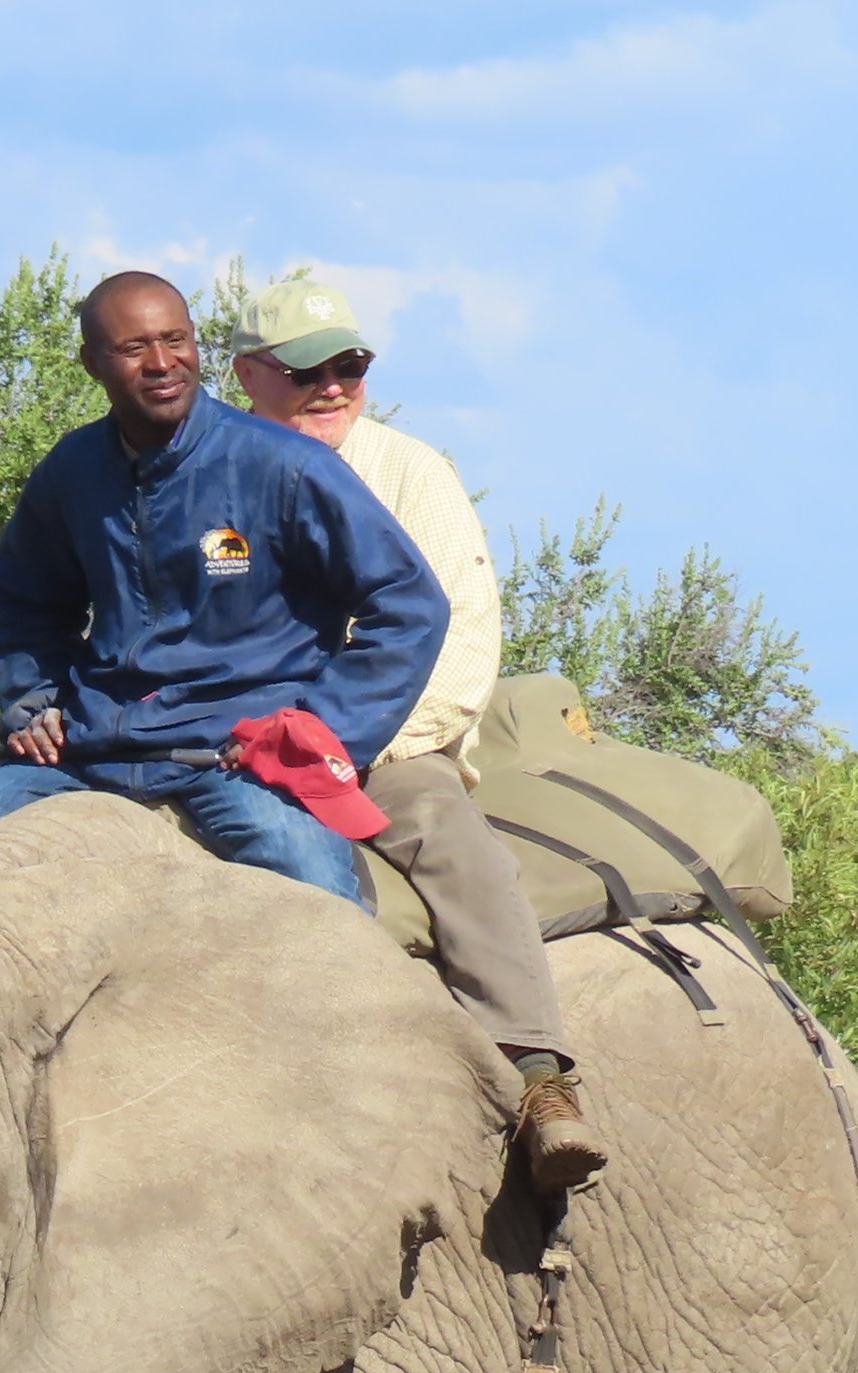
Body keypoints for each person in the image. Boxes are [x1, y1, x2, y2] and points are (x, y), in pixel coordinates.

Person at [0, 267, 600, 1187]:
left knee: (329, 893)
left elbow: (427, 614)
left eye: (351, 367)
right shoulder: (74, 472)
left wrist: (325, 735)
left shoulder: (333, 469)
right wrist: (32, 702)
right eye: (134, 348)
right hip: (100, 747)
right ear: (96, 363)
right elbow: (22, 600)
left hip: (281, 750)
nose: (332, 385)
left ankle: (507, 1080)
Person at [225, 268, 605, 1183]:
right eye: (307, 370)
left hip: (379, 742)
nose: (332, 388)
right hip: (224, 742)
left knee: (450, 840)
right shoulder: (197, 476)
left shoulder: (411, 474)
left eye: (349, 366)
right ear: (247, 375)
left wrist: (352, 745)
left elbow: (463, 641)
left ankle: (536, 1075)